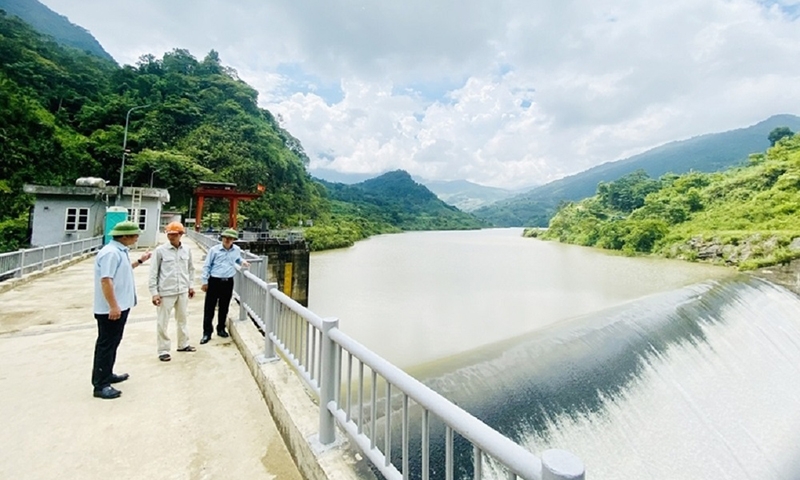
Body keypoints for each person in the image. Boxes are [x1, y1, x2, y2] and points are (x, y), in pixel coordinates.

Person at [92, 220, 151, 400]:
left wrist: (140, 261)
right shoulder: (110, 253)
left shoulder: (120, 252)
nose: (136, 238)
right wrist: (113, 306)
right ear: (124, 236)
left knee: (113, 342)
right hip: (111, 308)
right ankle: (100, 385)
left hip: (120, 306)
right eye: (134, 235)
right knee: (106, 345)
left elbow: (123, 271)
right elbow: (106, 280)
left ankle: (107, 374)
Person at [149, 221, 196, 362]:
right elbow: (153, 273)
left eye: (174, 235)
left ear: (181, 234)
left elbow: (191, 269)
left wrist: (190, 286)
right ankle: (163, 350)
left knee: (182, 319)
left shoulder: (186, 250)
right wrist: (154, 292)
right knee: (162, 321)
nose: (171, 237)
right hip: (166, 291)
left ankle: (183, 344)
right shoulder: (160, 251)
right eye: (169, 234)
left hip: (182, 289)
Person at [200, 228, 250, 344]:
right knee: (209, 308)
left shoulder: (236, 250)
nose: (227, 240)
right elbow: (207, 265)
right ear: (222, 238)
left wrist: (242, 262)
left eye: (230, 238)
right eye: (226, 238)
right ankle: (207, 332)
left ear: (233, 240)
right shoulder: (214, 250)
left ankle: (221, 328)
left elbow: (237, 259)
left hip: (228, 281)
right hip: (214, 280)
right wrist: (204, 281)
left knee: (224, 306)